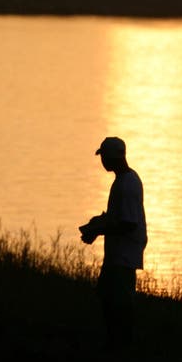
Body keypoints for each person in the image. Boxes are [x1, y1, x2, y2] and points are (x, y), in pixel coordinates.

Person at [79, 136, 147, 350]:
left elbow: (128, 224)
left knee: (119, 305)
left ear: (111, 158)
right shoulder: (126, 179)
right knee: (107, 298)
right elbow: (120, 217)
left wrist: (99, 230)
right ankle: (115, 345)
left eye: (104, 157)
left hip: (123, 256)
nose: (102, 162)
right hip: (118, 255)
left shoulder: (126, 186)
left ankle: (120, 348)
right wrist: (100, 222)